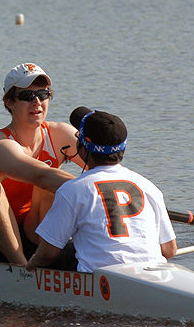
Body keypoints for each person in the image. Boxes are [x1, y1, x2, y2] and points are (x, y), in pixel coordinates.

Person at [26, 108, 177, 272]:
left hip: (102, 280)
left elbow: (48, 253)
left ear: (82, 148)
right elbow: (169, 250)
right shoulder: (149, 187)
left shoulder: (72, 190)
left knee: (59, 246)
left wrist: (29, 269)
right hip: (154, 272)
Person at [0, 63, 79, 265]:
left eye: (43, 95)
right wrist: (97, 191)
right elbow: (41, 175)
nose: (37, 102)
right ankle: (21, 269)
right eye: (27, 96)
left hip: (32, 229)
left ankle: (50, 259)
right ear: (10, 102)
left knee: (52, 188)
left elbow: (103, 165)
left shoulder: (61, 134)